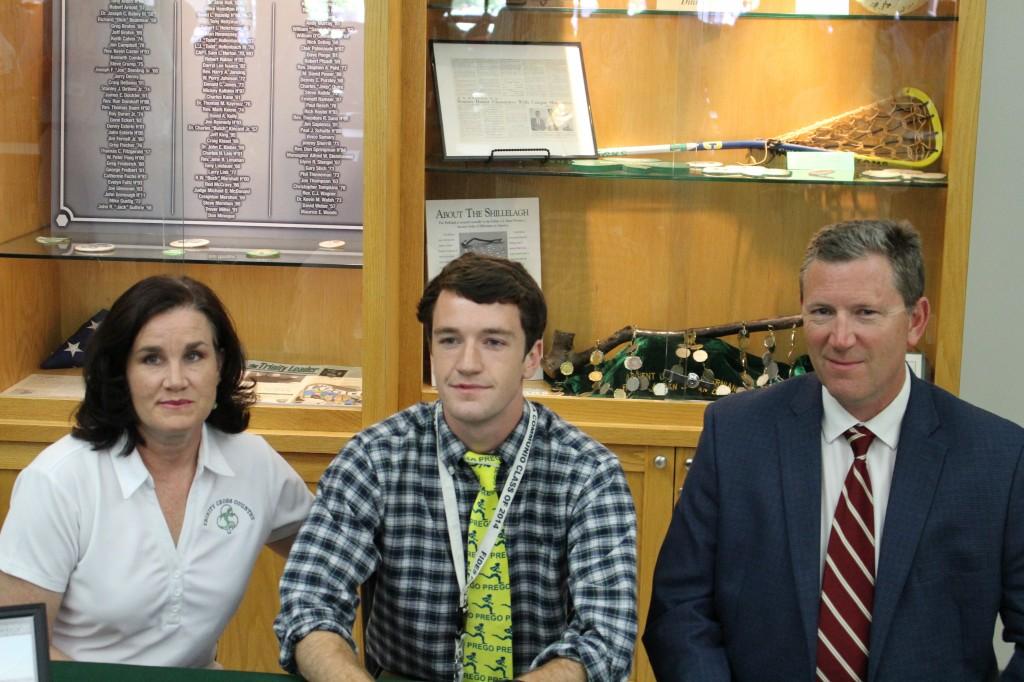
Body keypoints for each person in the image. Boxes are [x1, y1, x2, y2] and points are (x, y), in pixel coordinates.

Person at [644, 219, 1024, 681]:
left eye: (865, 313)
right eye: (823, 312)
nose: (840, 338)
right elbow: (680, 612)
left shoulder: (998, 458)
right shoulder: (737, 435)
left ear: (916, 321)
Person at [275, 252, 637, 681]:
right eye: (449, 339)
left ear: (532, 357)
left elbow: (606, 637)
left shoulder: (589, 475)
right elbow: (309, 602)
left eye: (494, 341)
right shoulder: (374, 459)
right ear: (430, 349)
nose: (467, 363)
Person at [0, 275, 313, 667]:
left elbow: (338, 551)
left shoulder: (254, 463)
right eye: (152, 358)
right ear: (121, 373)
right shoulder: (58, 481)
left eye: (194, 355)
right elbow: (12, 649)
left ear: (221, 365)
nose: (176, 380)